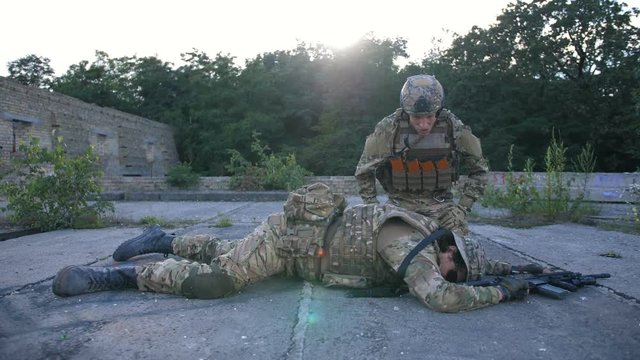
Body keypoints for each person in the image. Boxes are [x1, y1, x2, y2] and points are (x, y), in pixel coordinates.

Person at [52, 183, 538, 313]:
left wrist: (526, 273)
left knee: (228, 249)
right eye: (452, 267)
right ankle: (121, 277)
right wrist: (503, 294)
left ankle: (165, 239)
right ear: (447, 250)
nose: (446, 273)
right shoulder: (410, 242)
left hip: (310, 258)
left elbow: (485, 264)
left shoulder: (435, 243)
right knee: (220, 280)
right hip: (289, 242)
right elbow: (442, 297)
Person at [355, 74, 489, 235]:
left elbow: (480, 170)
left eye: (430, 116)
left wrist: (461, 209)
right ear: (406, 112)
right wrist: (373, 206)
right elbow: (364, 171)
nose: (424, 124)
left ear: (438, 111)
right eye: (416, 117)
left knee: (460, 252)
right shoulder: (390, 128)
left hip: (443, 209)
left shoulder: (452, 126)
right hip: (399, 208)